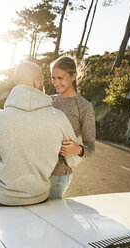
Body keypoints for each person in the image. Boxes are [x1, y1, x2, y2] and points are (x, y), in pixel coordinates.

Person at [0, 61, 82, 207]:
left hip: (1, 197)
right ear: (37, 82)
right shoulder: (59, 117)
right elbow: (73, 159)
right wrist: (80, 150)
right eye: (43, 80)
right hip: (38, 198)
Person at [49, 55, 96, 199]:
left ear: (73, 76)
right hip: (37, 170)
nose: (56, 82)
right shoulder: (48, 100)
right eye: (53, 77)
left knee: (51, 217)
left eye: (60, 78)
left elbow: (90, 147)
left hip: (59, 175)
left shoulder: (84, 107)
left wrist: (78, 149)